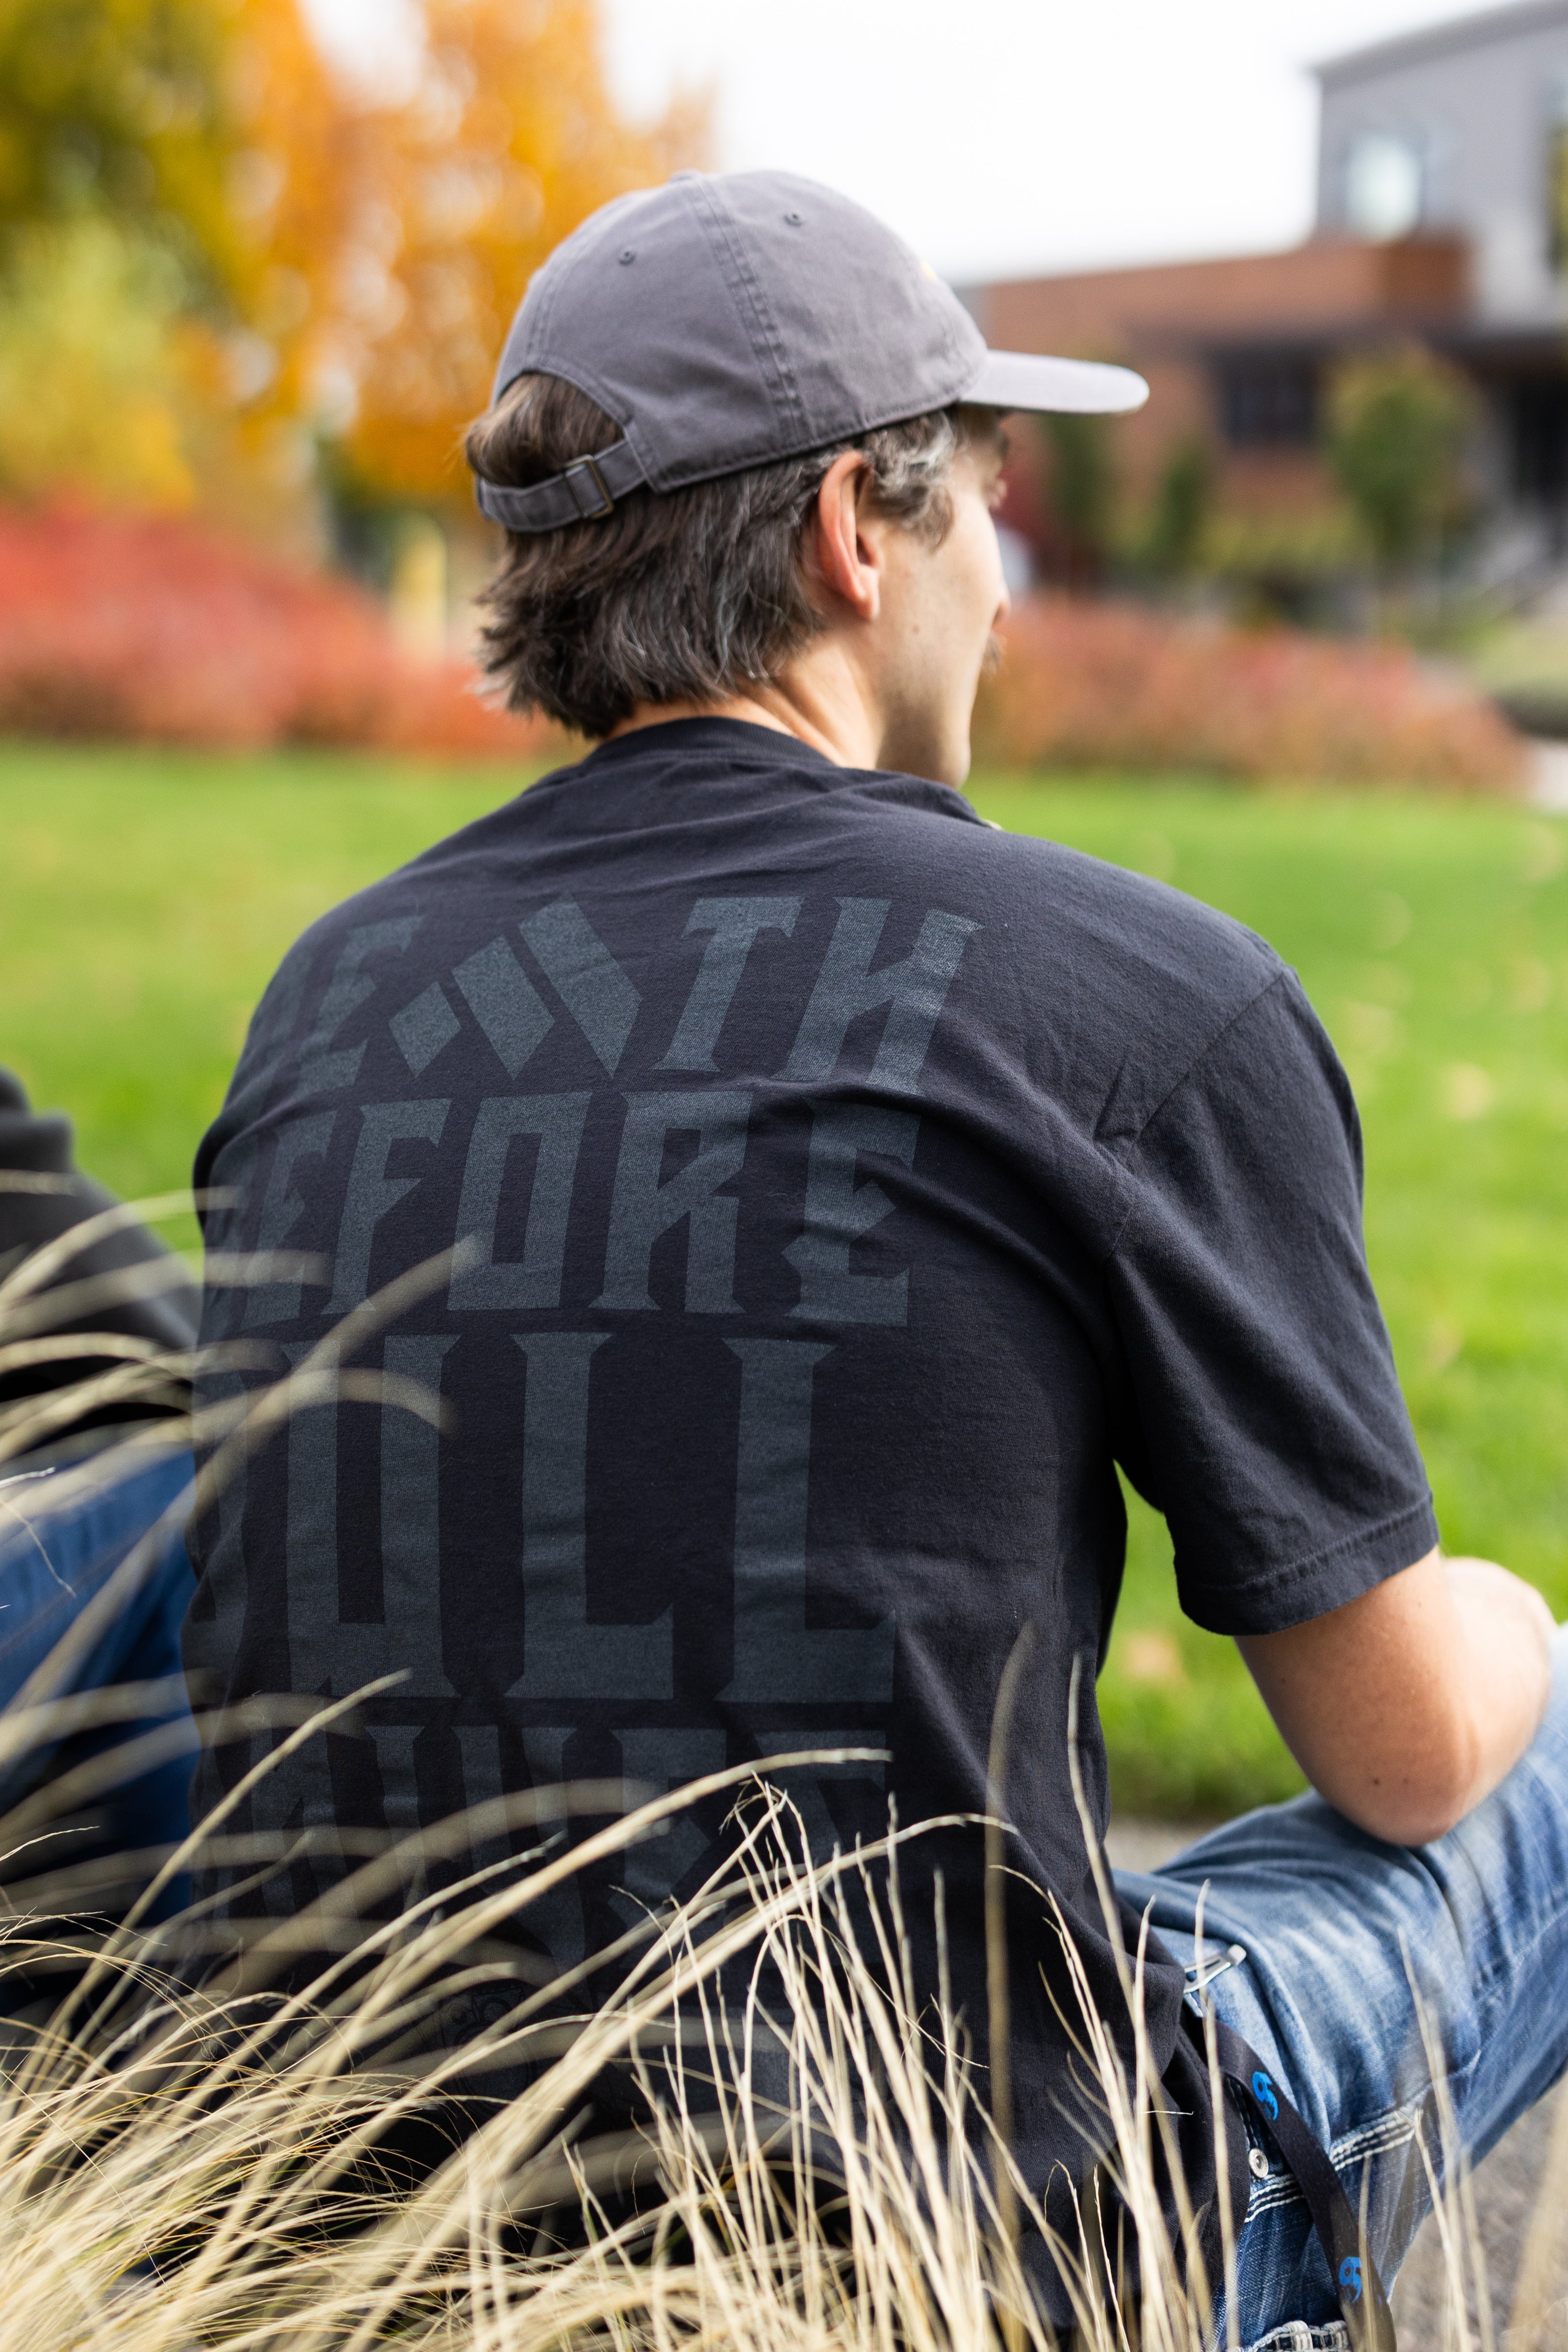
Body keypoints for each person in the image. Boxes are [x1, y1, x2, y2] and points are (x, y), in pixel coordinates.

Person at [183, 171, 1565, 2348]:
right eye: (981, 509)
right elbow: (1396, 1758)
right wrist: (1510, 1618)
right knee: (1539, 1745)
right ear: (854, 529)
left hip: (356, 2249)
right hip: (947, 2271)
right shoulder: (1132, 996)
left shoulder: (327, 1006)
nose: (1000, 595)